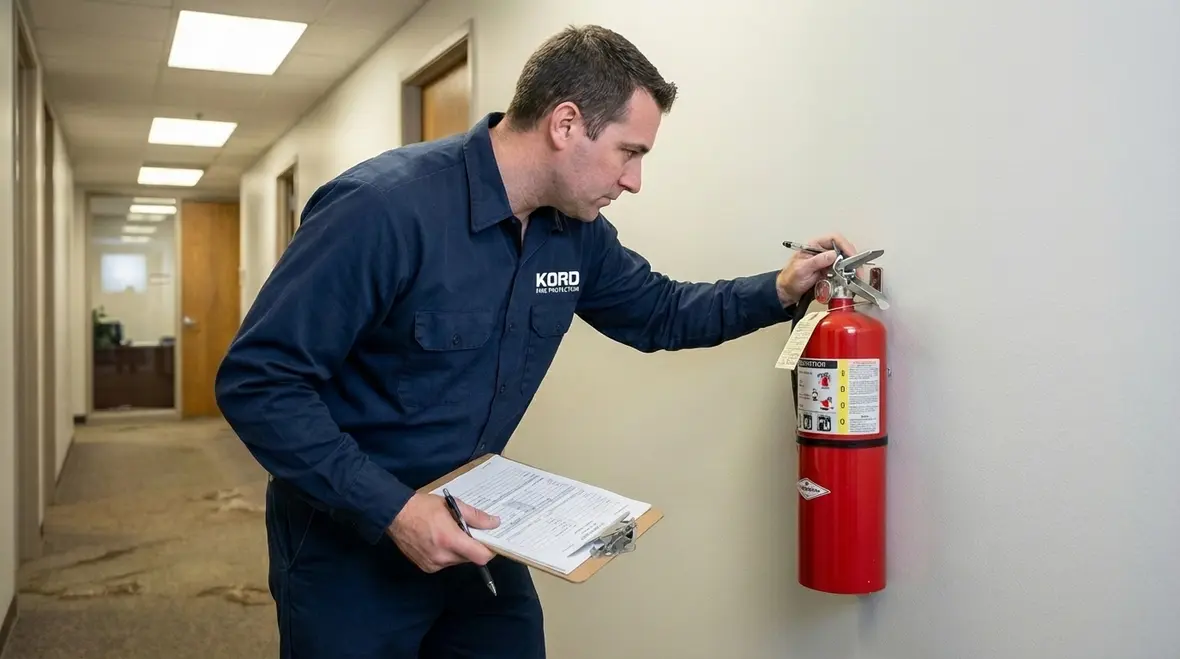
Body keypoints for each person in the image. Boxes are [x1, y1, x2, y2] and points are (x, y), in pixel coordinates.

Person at [214, 24, 857, 659]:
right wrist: (396, 511)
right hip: (350, 541)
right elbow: (259, 382)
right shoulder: (381, 210)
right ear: (566, 124)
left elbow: (660, 312)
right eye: (630, 153)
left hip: (475, 521)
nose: (633, 181)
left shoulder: (572, 232)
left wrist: (780, 287)